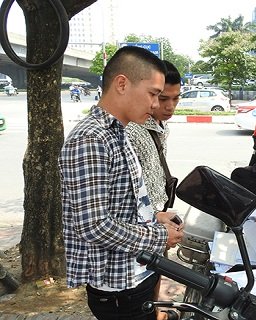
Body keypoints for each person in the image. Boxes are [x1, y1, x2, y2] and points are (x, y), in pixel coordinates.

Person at [58, 46, 184, 320]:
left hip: (137, 272)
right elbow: (94, 226)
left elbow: (121, 203)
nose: (155, 104)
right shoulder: (91, 139)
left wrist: (154, 217)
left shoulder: (118, 131)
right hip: (119, 285)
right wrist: (159, 235)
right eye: (152, 93)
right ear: (122, 84)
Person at [126, 60, 182, 320]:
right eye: (161, 98)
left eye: (176, 98)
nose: (169, 106)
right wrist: (152, 220)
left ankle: (155, 310)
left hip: (158, 214)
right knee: (141, 278)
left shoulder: (161, 126)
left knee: (156, 270)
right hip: (138, 222)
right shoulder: (131, 129)